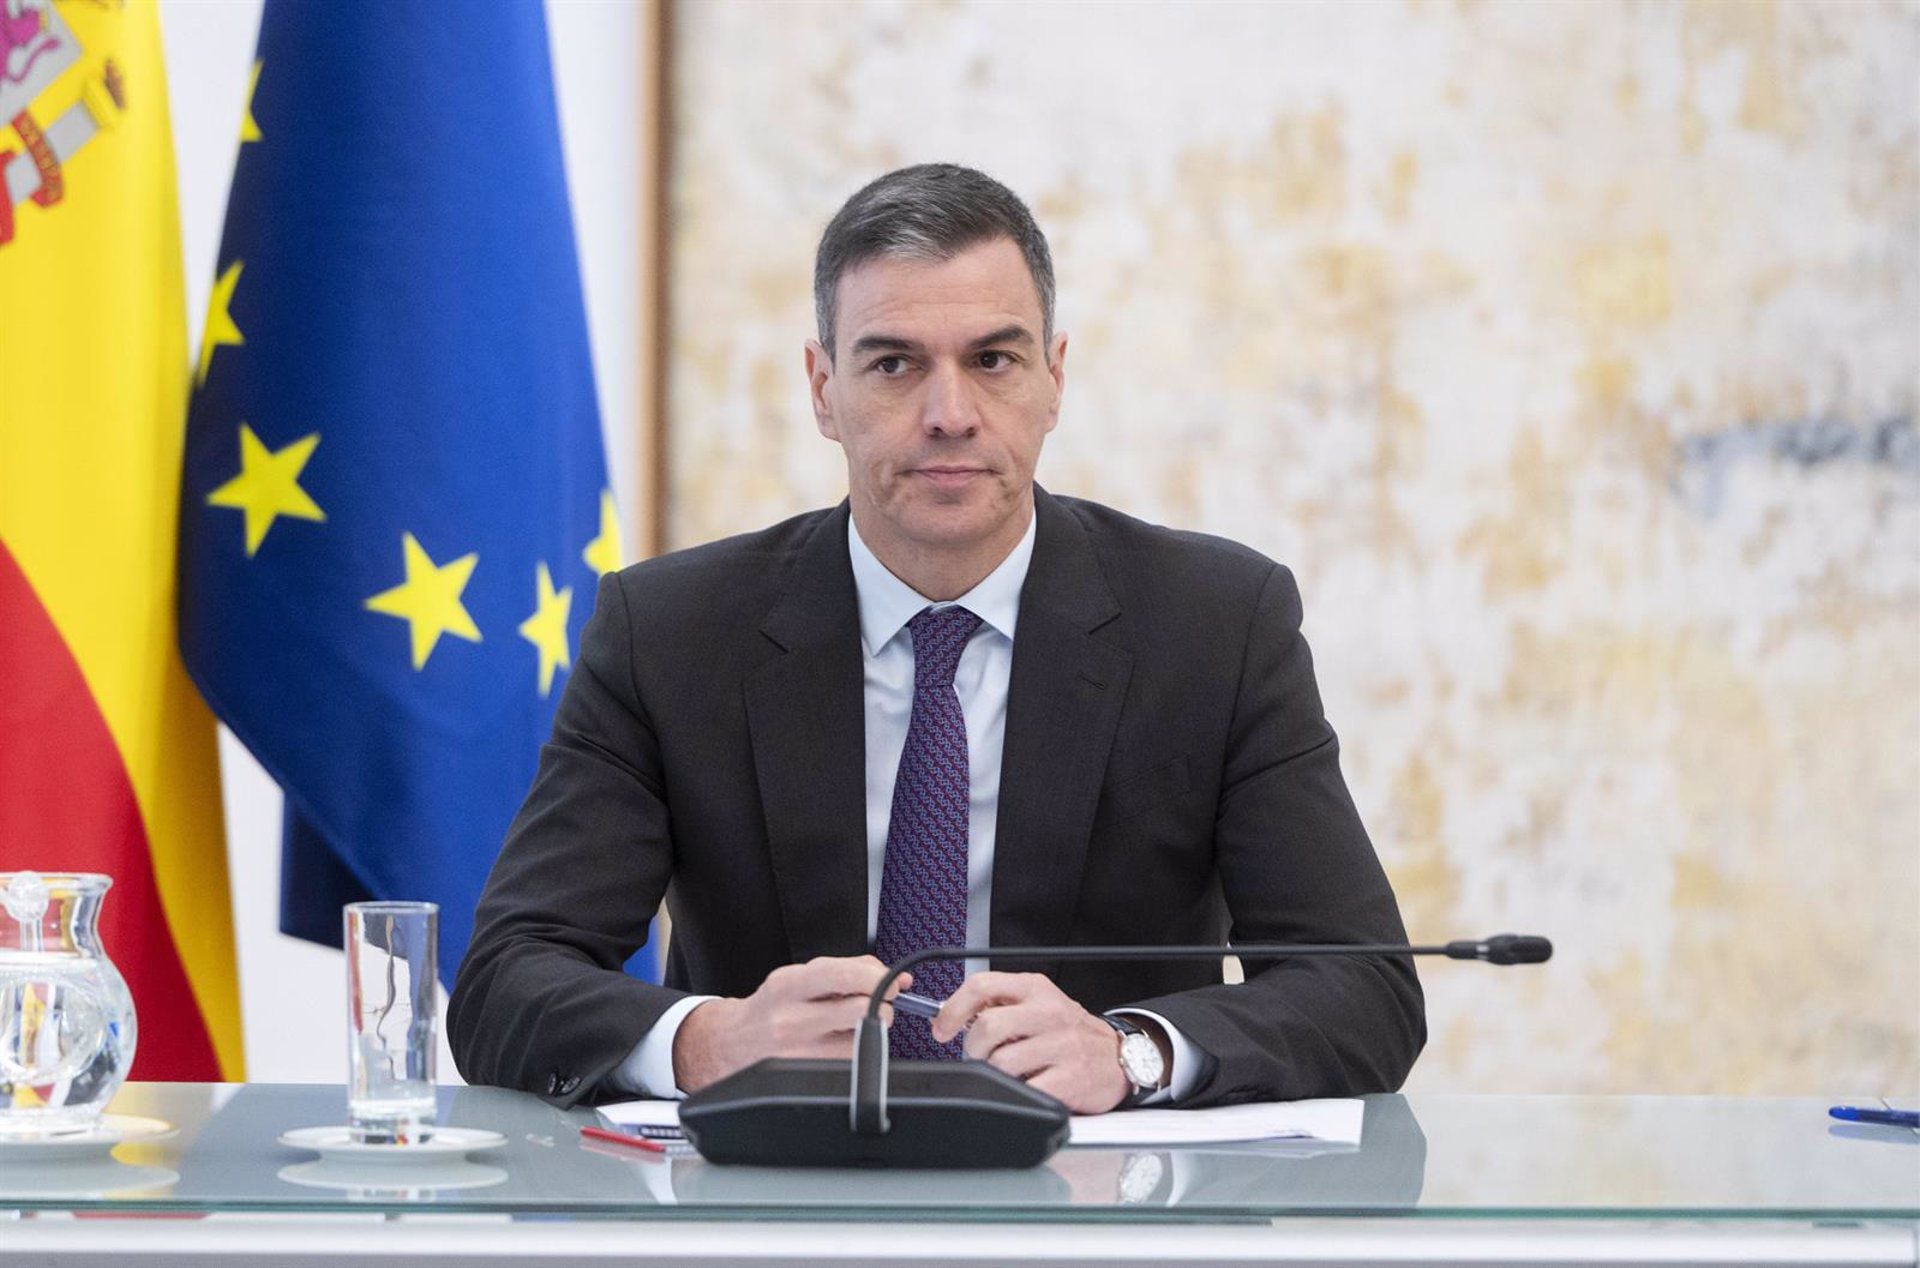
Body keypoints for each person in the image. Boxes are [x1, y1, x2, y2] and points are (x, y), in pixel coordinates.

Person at [449, 164, 1424, 1114]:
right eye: (893, 363)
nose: (949, 414)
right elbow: (504, 980)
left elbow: (1366, 989)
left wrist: (1131, 1050)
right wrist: (710, 1040)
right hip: (769, 1206)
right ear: (823, 388)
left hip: (1108, 1209)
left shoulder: (1216, 623)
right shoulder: (670, 632)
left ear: (1054, 379)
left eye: (992, 360)